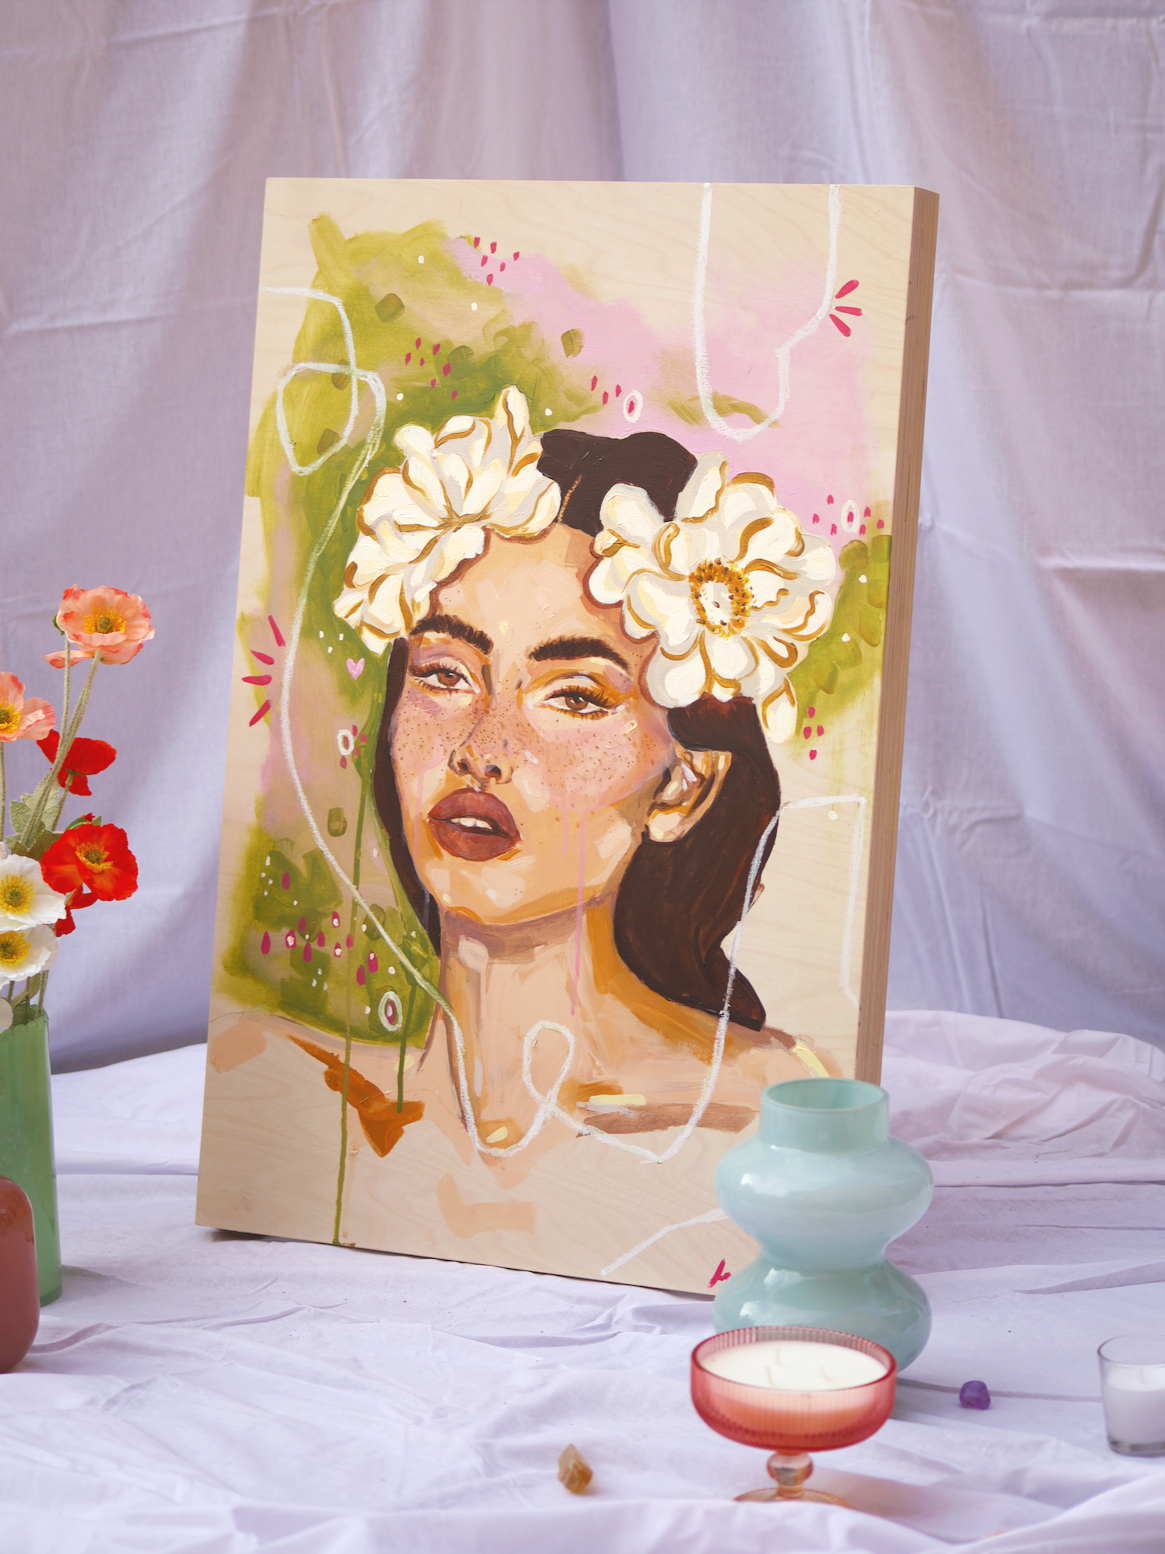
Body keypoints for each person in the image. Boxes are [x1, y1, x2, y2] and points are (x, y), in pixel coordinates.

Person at [331, 388, 837, 1178]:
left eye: (573, 695)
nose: (481, 751)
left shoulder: (767, 1119)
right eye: (445, 673)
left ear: (684, 787)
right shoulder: (293, 1103)